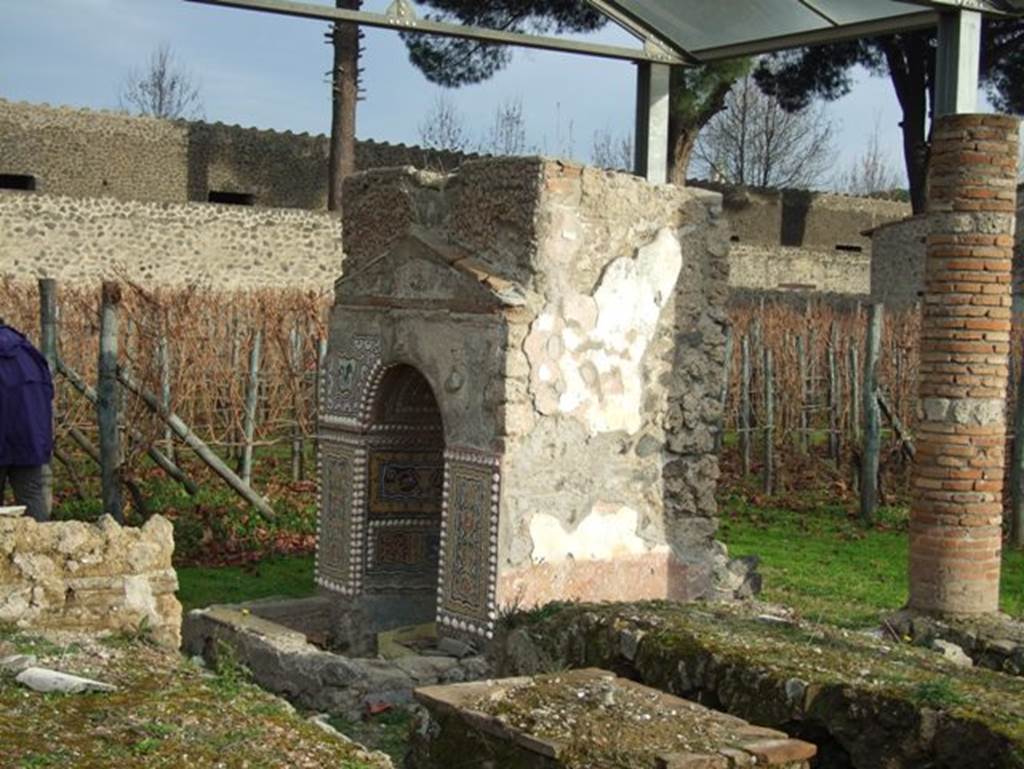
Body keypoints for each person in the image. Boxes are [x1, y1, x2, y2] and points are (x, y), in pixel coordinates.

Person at [0, 320, 54, 522]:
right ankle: (42, 549)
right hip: (30, 439)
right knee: (32, 498)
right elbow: (48, 392)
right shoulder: (27, 351)